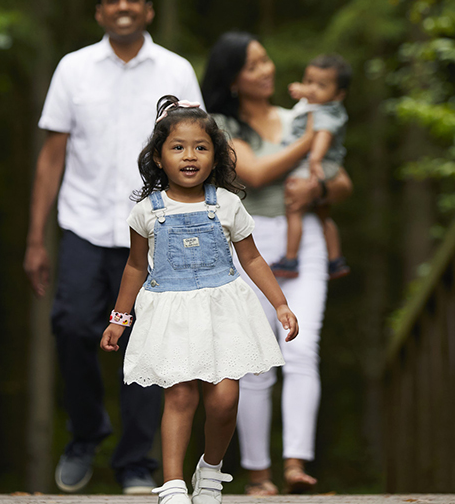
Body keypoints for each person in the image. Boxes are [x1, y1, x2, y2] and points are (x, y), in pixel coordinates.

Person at [24, 0, 204, 494]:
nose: (122, 6)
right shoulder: (73, 69)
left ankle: (134, 464)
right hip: (83, 224)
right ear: (100, 12)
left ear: (148, 10)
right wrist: (36, 238)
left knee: (146, 347)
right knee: (73, 325)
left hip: (157, 230)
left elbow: (197, 149)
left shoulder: (176, 70)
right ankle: (85, 435)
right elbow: (51, 157)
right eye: (111, 0)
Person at [101, 95, 299, 504]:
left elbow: (252, 258)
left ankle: (210, 469)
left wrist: (279, 303)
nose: (189, 156)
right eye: (177, 147)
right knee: (180, 394)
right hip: (170, 312)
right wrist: (120, 317)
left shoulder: (226, 205)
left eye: (200, 147)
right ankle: (172, 484)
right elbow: (136, 267)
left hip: (223, 310)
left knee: (225, 399)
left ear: (216, 157)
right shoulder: (146, 212)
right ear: (158, 157)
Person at [201, 32, 353, 496]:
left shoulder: (295, 116)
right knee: (254, 362)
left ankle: (295, 464)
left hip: (301, 236)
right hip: (245, 241)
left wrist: (319, 190)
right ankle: (257, 474)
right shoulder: (220, 125)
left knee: (303, 349)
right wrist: (310, 138)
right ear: (232, 79)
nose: (267, 70)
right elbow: (257, 173)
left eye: (266, 59)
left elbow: (342, 180)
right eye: (253, 66)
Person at [268, 54, 352, 281]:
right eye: (309, 81)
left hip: (317, 162)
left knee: (294, 206)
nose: (312, 89)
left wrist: (314, 160)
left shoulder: (326, 111)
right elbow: (307, 94)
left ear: (339, 94)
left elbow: (323, 135)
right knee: (323, 213)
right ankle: (335, 260)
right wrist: (301, 90)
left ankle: (290, 258)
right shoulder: (316, 104)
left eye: (321, 85)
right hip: (322, 162)